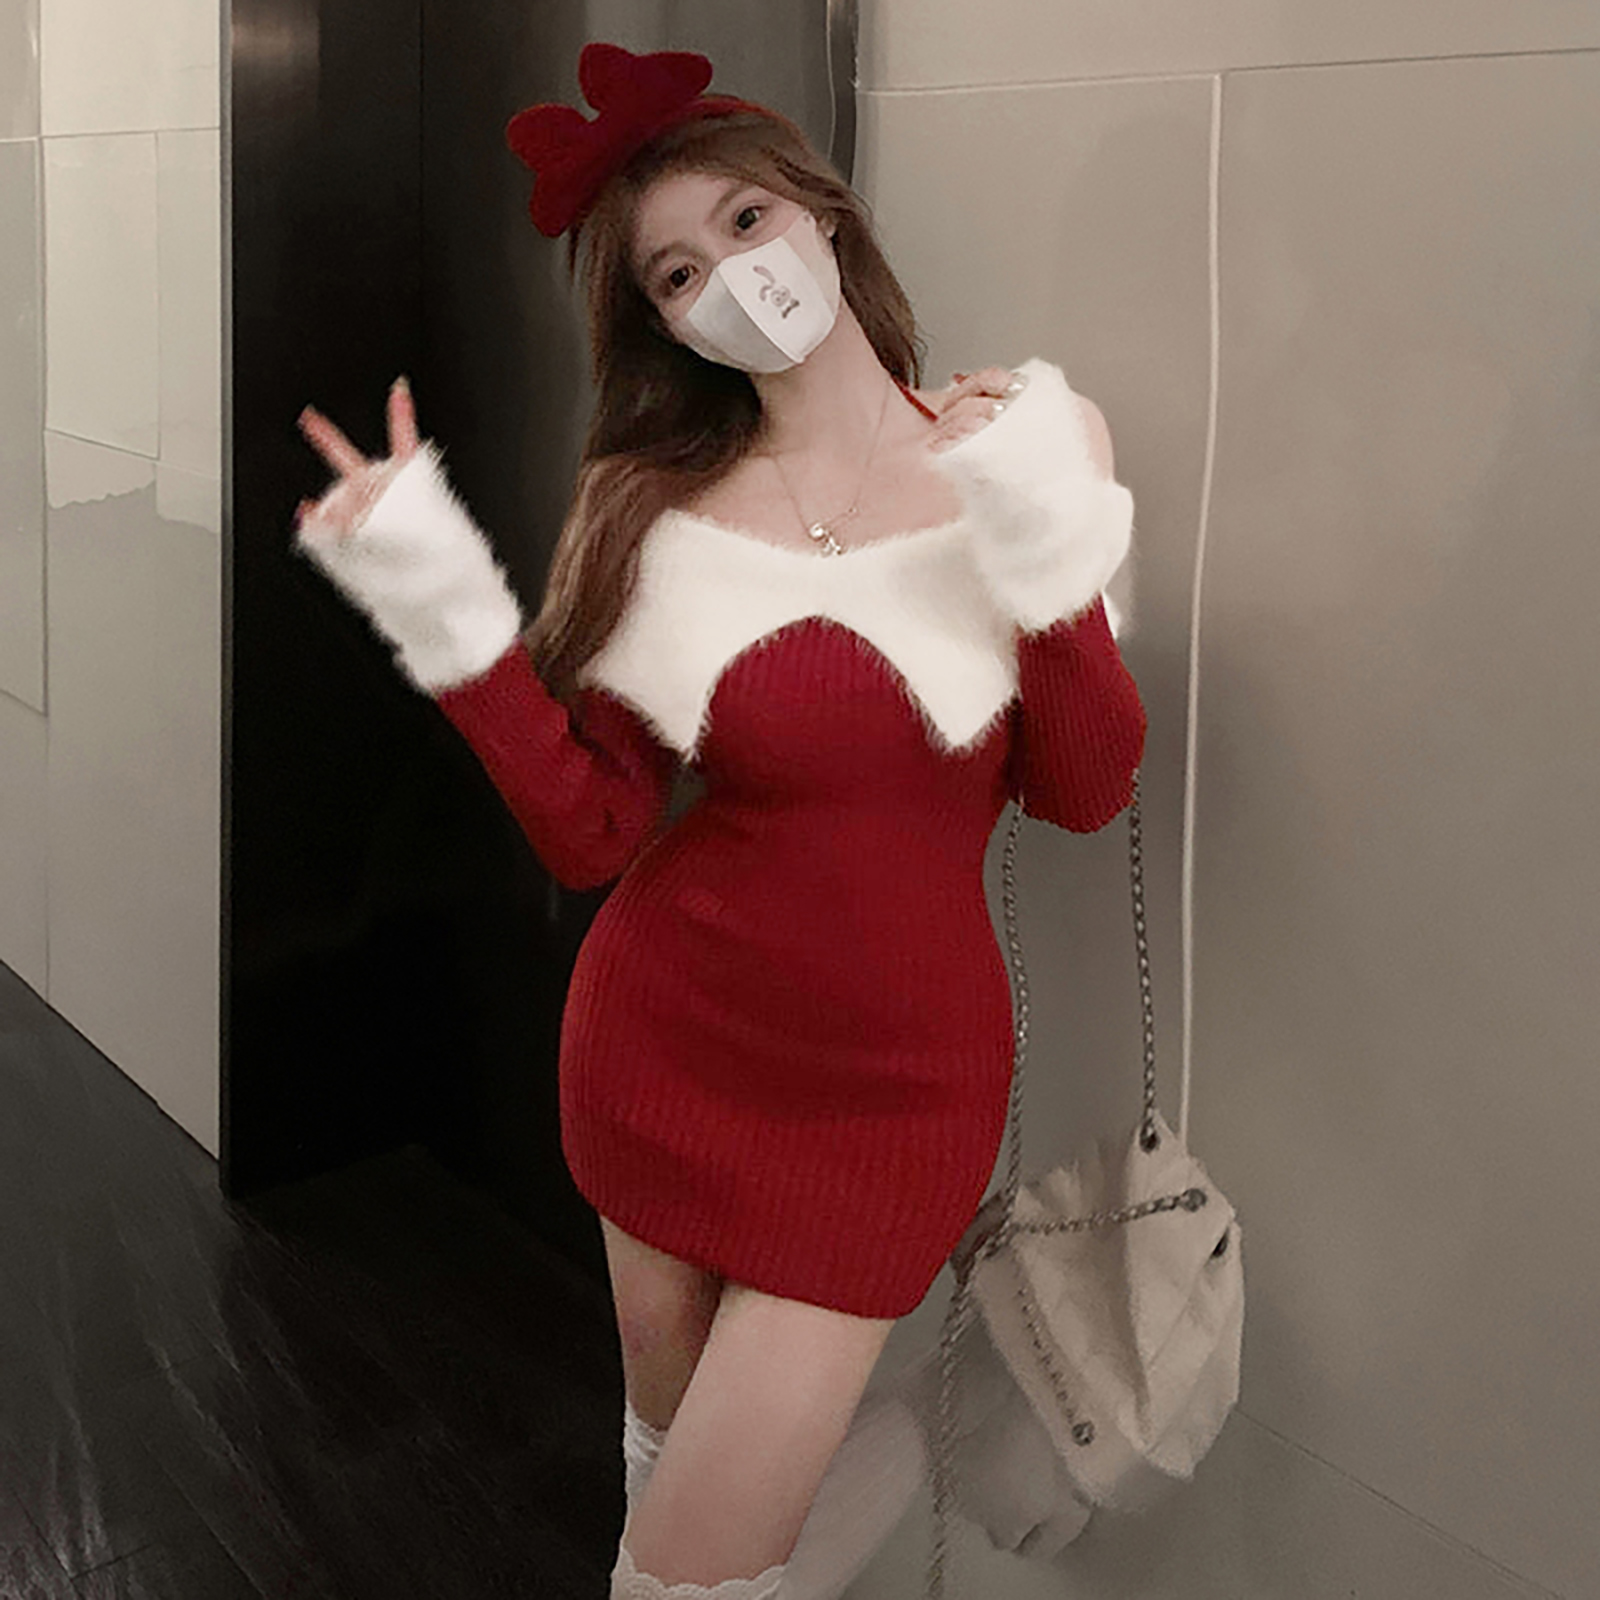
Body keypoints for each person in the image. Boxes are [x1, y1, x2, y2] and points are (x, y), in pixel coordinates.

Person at [293, 40, 1145, 1600]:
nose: (730, 279)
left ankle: (928, 1436)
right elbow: (595, 833)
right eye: (678, 272)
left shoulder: (1024, 441)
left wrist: (1032, 529)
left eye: (746, 222)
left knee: (685, 1566)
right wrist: (445, 614)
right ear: (662, 321)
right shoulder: (651, 505)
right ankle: (921, 1446)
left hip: (898, 1093)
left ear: (821, 212)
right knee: (671, 1488)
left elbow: (1086, 787)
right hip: (664, 1053)